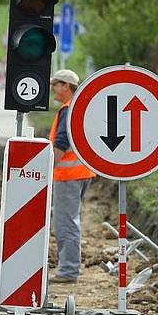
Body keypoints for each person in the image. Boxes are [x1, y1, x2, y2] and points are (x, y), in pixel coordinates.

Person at [49, 69, 96, 283]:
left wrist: (46, 168)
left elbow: (61, 142)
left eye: (56, 84)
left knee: (66, 223)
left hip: (68, 175)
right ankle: (69, 268)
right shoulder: (78, 108)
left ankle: (68, 270)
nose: (53, 89)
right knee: (71, 220)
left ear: (66, 86)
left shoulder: (68, 110)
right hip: (80, 173)